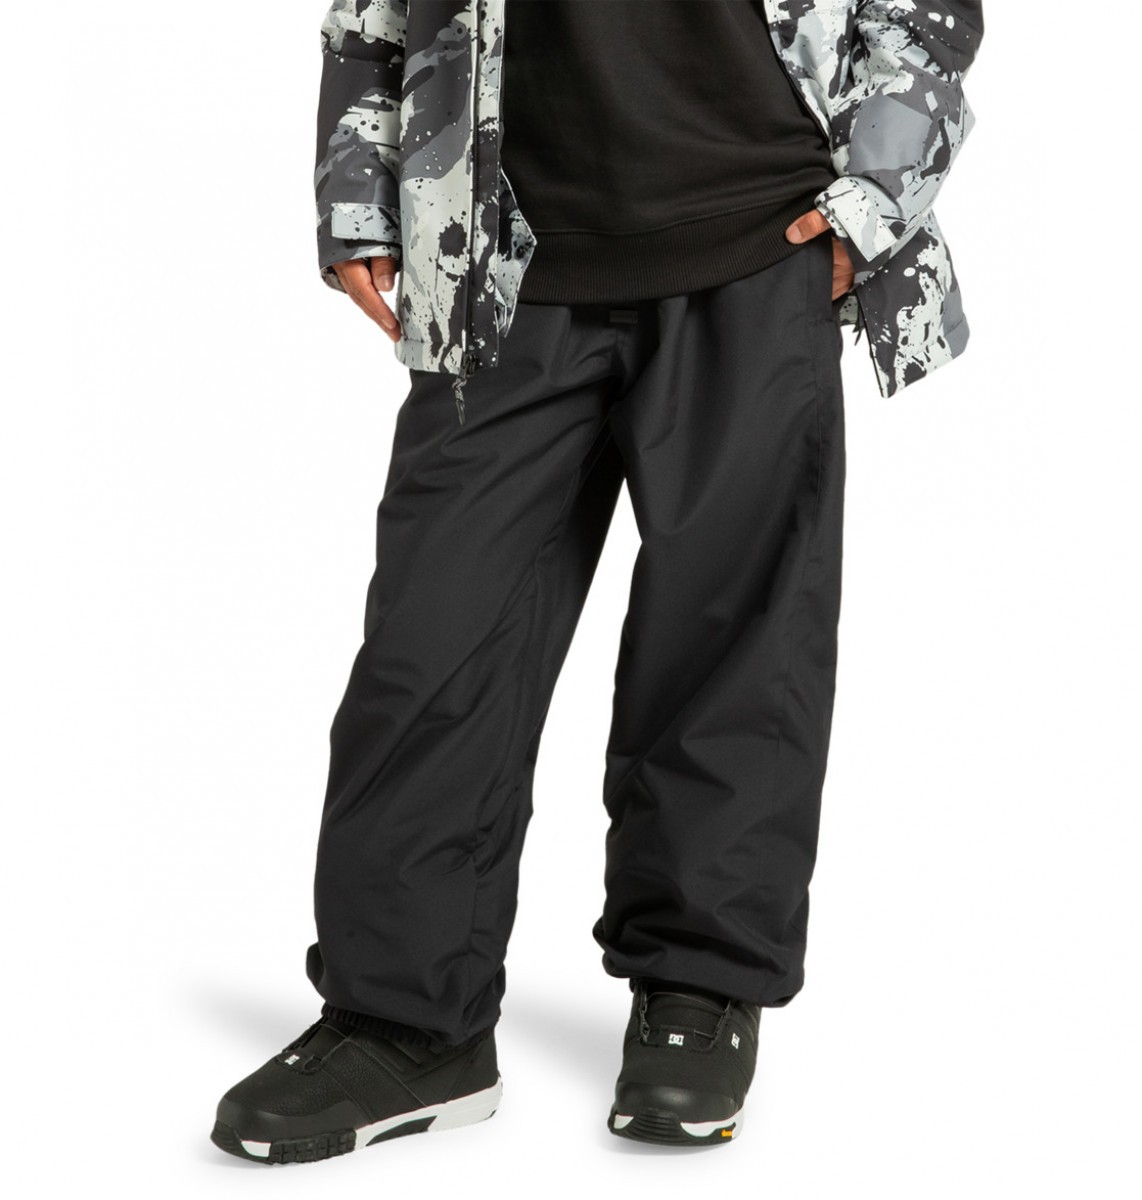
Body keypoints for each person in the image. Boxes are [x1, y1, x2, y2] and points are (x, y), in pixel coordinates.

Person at [210, 0, 984, 1162]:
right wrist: (360, 192)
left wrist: (870, 201)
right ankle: (405, 1022)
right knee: (432, 644)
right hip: (503, 258)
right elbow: (370, 14)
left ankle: (698, 988)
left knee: (727, 640)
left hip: (753, 243)